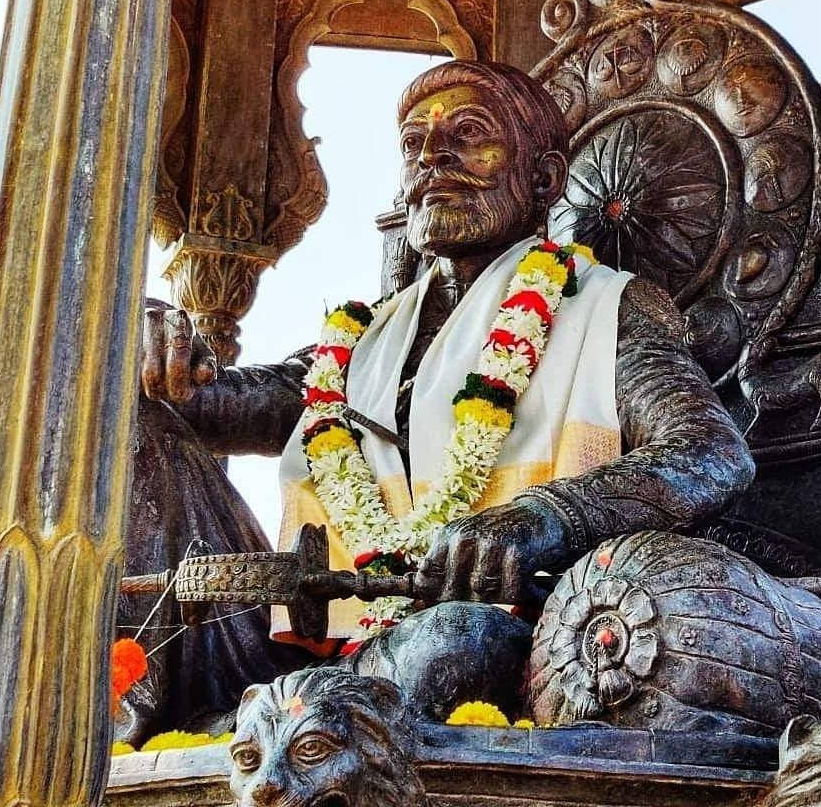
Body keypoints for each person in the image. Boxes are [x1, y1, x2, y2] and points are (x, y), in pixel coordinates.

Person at [132, 60, 755, 726]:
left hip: (507, 644)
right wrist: (137, 334)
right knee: (132, 415)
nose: (433, 157)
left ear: (543, 179)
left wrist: (540, 519)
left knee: (457, 640)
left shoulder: (608, 308)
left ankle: (283, 720)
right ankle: (161, 710)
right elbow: (204, 403)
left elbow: (710, 454)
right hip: (315, 653)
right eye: (413, 145)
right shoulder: (360, 342)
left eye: (468, 133)